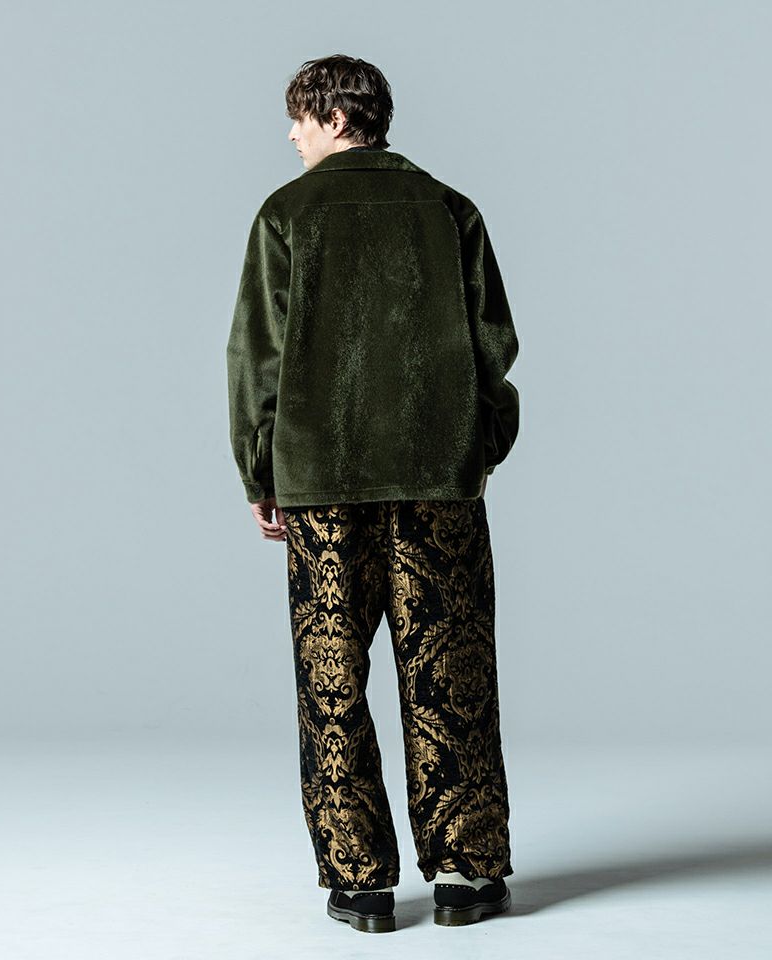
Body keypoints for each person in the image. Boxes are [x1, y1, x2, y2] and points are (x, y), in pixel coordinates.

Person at [226, 53, 520, 933]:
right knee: (451, 671)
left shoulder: (287, 215)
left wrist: (261, 469)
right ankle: (467, 872)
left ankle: (360, 883)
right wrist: (476, 446)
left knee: (332, 680)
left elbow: (256, 357)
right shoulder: (449, 209)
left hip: (321, 485)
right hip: (438, 480)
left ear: (333, 116)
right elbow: (494, 349)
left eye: (299, 117)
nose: (290, 134)